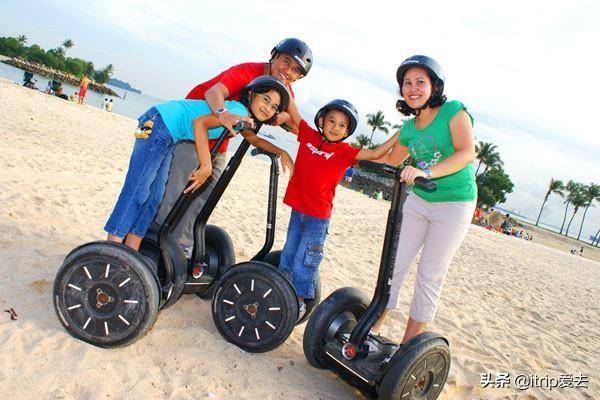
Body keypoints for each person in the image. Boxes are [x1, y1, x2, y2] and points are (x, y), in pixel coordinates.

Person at [153, 38, 313, 253]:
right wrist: (223, 114)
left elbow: (298, 127)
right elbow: (214, 93)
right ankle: (155, 241)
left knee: (206, 193)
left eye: (296, 71)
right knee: (179, 188)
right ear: (274, 55)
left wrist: (282, 116)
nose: (288, 71)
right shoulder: (248, 71)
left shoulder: (283, 90)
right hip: (194, 131)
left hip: (220, 140)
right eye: (286, 62)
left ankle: (181, 244)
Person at [105, 76, 294, 250]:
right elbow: (199, 123)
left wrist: (282, 152)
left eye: (274, 107)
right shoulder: (237, 111)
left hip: (169, 135)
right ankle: (111, 249)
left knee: (154, 197)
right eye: (266, 99)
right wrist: (206, 165)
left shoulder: (244, 118)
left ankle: (131, 252)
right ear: (251, 94)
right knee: (139, 190)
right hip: (158, 123)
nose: (268, 108)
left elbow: (254, 139)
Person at [370, 55, 477, 344]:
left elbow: (467, 153)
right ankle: (375, 325)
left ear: (434, 86)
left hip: (455, 203)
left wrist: (426, 172)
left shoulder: (454, 112)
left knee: (429, 274)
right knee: (394, 265)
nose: (413, 88)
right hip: (418, 202)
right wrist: (350, 155)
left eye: (420, 82)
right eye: (407, 83)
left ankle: (409, 345)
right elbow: (391, 161)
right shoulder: (408, 129)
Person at [281, 99, 399, 316]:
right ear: (321, 121)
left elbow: (375, 154)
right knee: (288, 253)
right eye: (332, 121)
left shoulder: (345, 151)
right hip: (298, 211)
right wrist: (283, 85)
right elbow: (293, 110)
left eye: (342, 125)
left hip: (318, 218)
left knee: (305, 260)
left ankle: (298, 302)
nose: (335, 127)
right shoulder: (309, 136)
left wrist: (399, 134)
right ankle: (282, 292)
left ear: (347, 131)